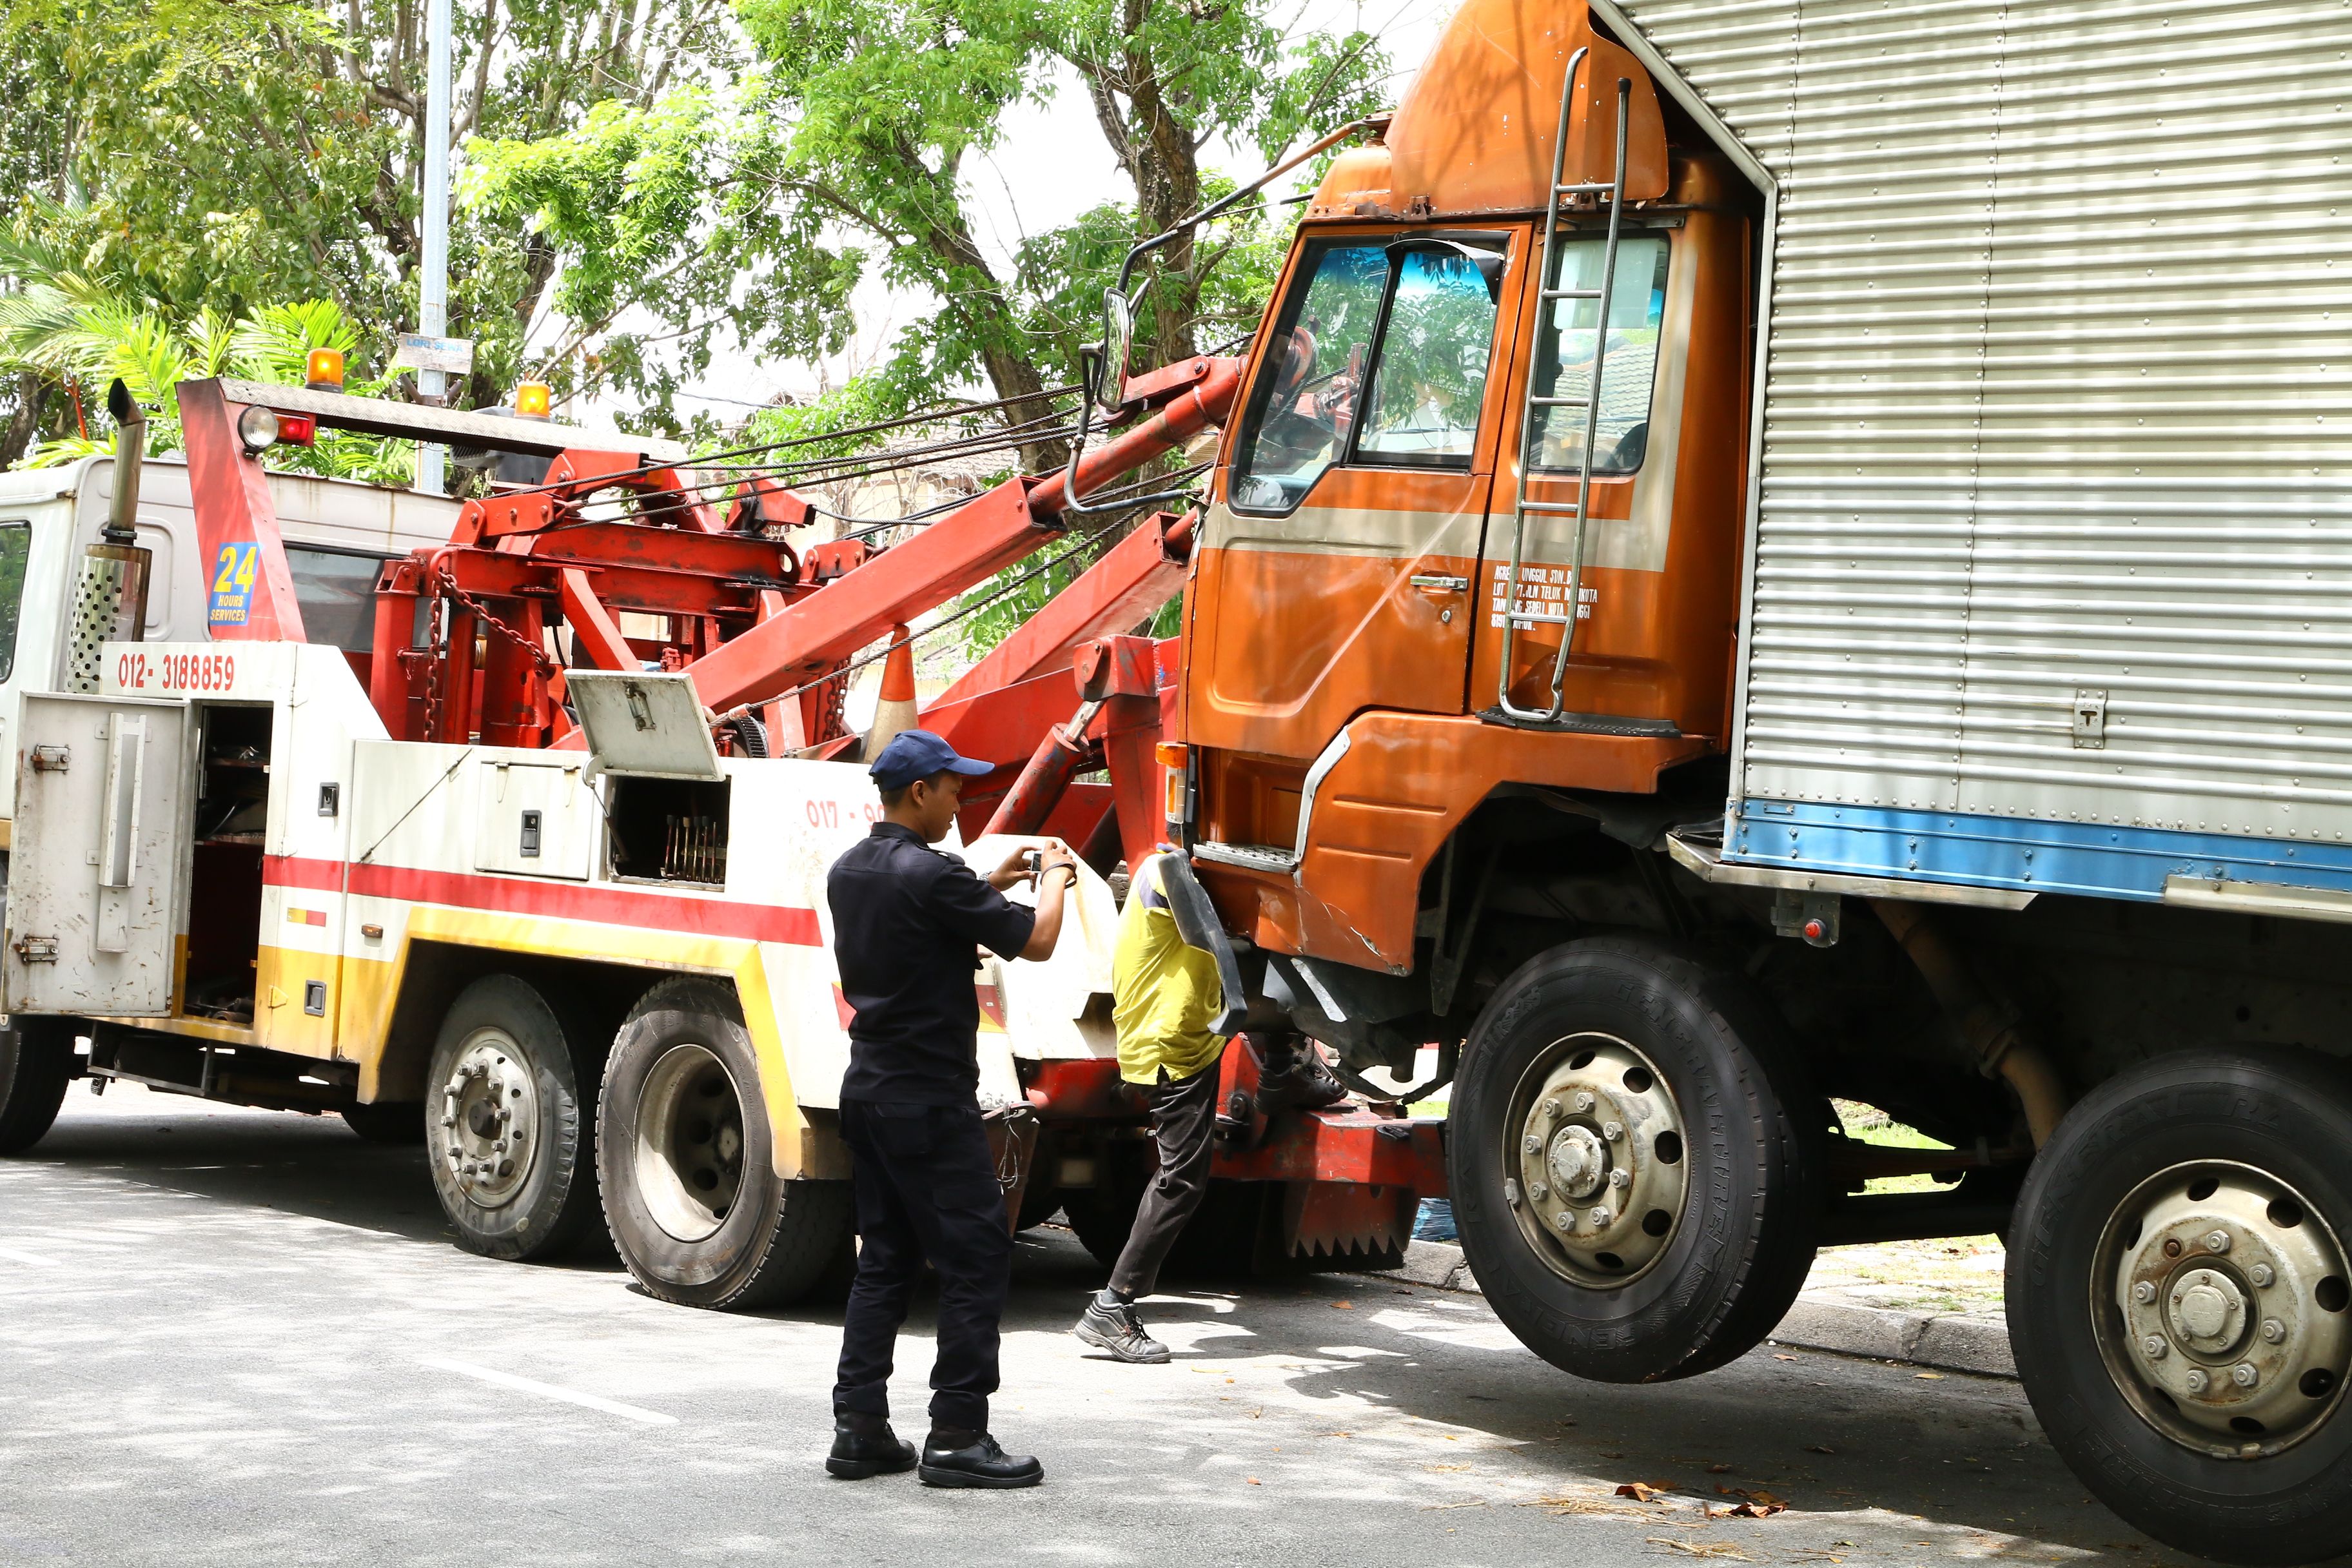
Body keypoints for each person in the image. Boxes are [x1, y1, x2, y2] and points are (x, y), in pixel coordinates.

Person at [823, 728, 1077, 1489]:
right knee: (976, 1256)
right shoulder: (934, 875)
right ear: (919, 791)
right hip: (929, 1100)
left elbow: (923, 910)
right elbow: (1038, 940)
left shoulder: (850, 868)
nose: (960, 799)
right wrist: (1054, 876)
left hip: (868, 1091)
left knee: (886, 1258)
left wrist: (988, 881)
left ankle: (859, 1425)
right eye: (953, 786)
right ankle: (959, 1432)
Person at [1072, 847, 1344, 1364]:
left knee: (1184, 1176)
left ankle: (1283, 1073)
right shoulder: (1167, 871)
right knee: (1181, 1180)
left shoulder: (1181, 874)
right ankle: (1112, 1307)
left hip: (1188, 1038)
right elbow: (1220, 946)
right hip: (1170, 1049)